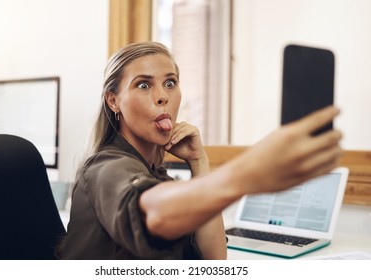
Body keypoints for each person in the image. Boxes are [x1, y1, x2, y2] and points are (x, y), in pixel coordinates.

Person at [60, 41, 342, 260]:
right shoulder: (106, 167)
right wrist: (246, 173)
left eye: (170, 83)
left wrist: (199, 163)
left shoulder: (157, 175)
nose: (162, 96)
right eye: (143, 85)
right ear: (113, 101)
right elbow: (152, 213)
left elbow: (214, 260)